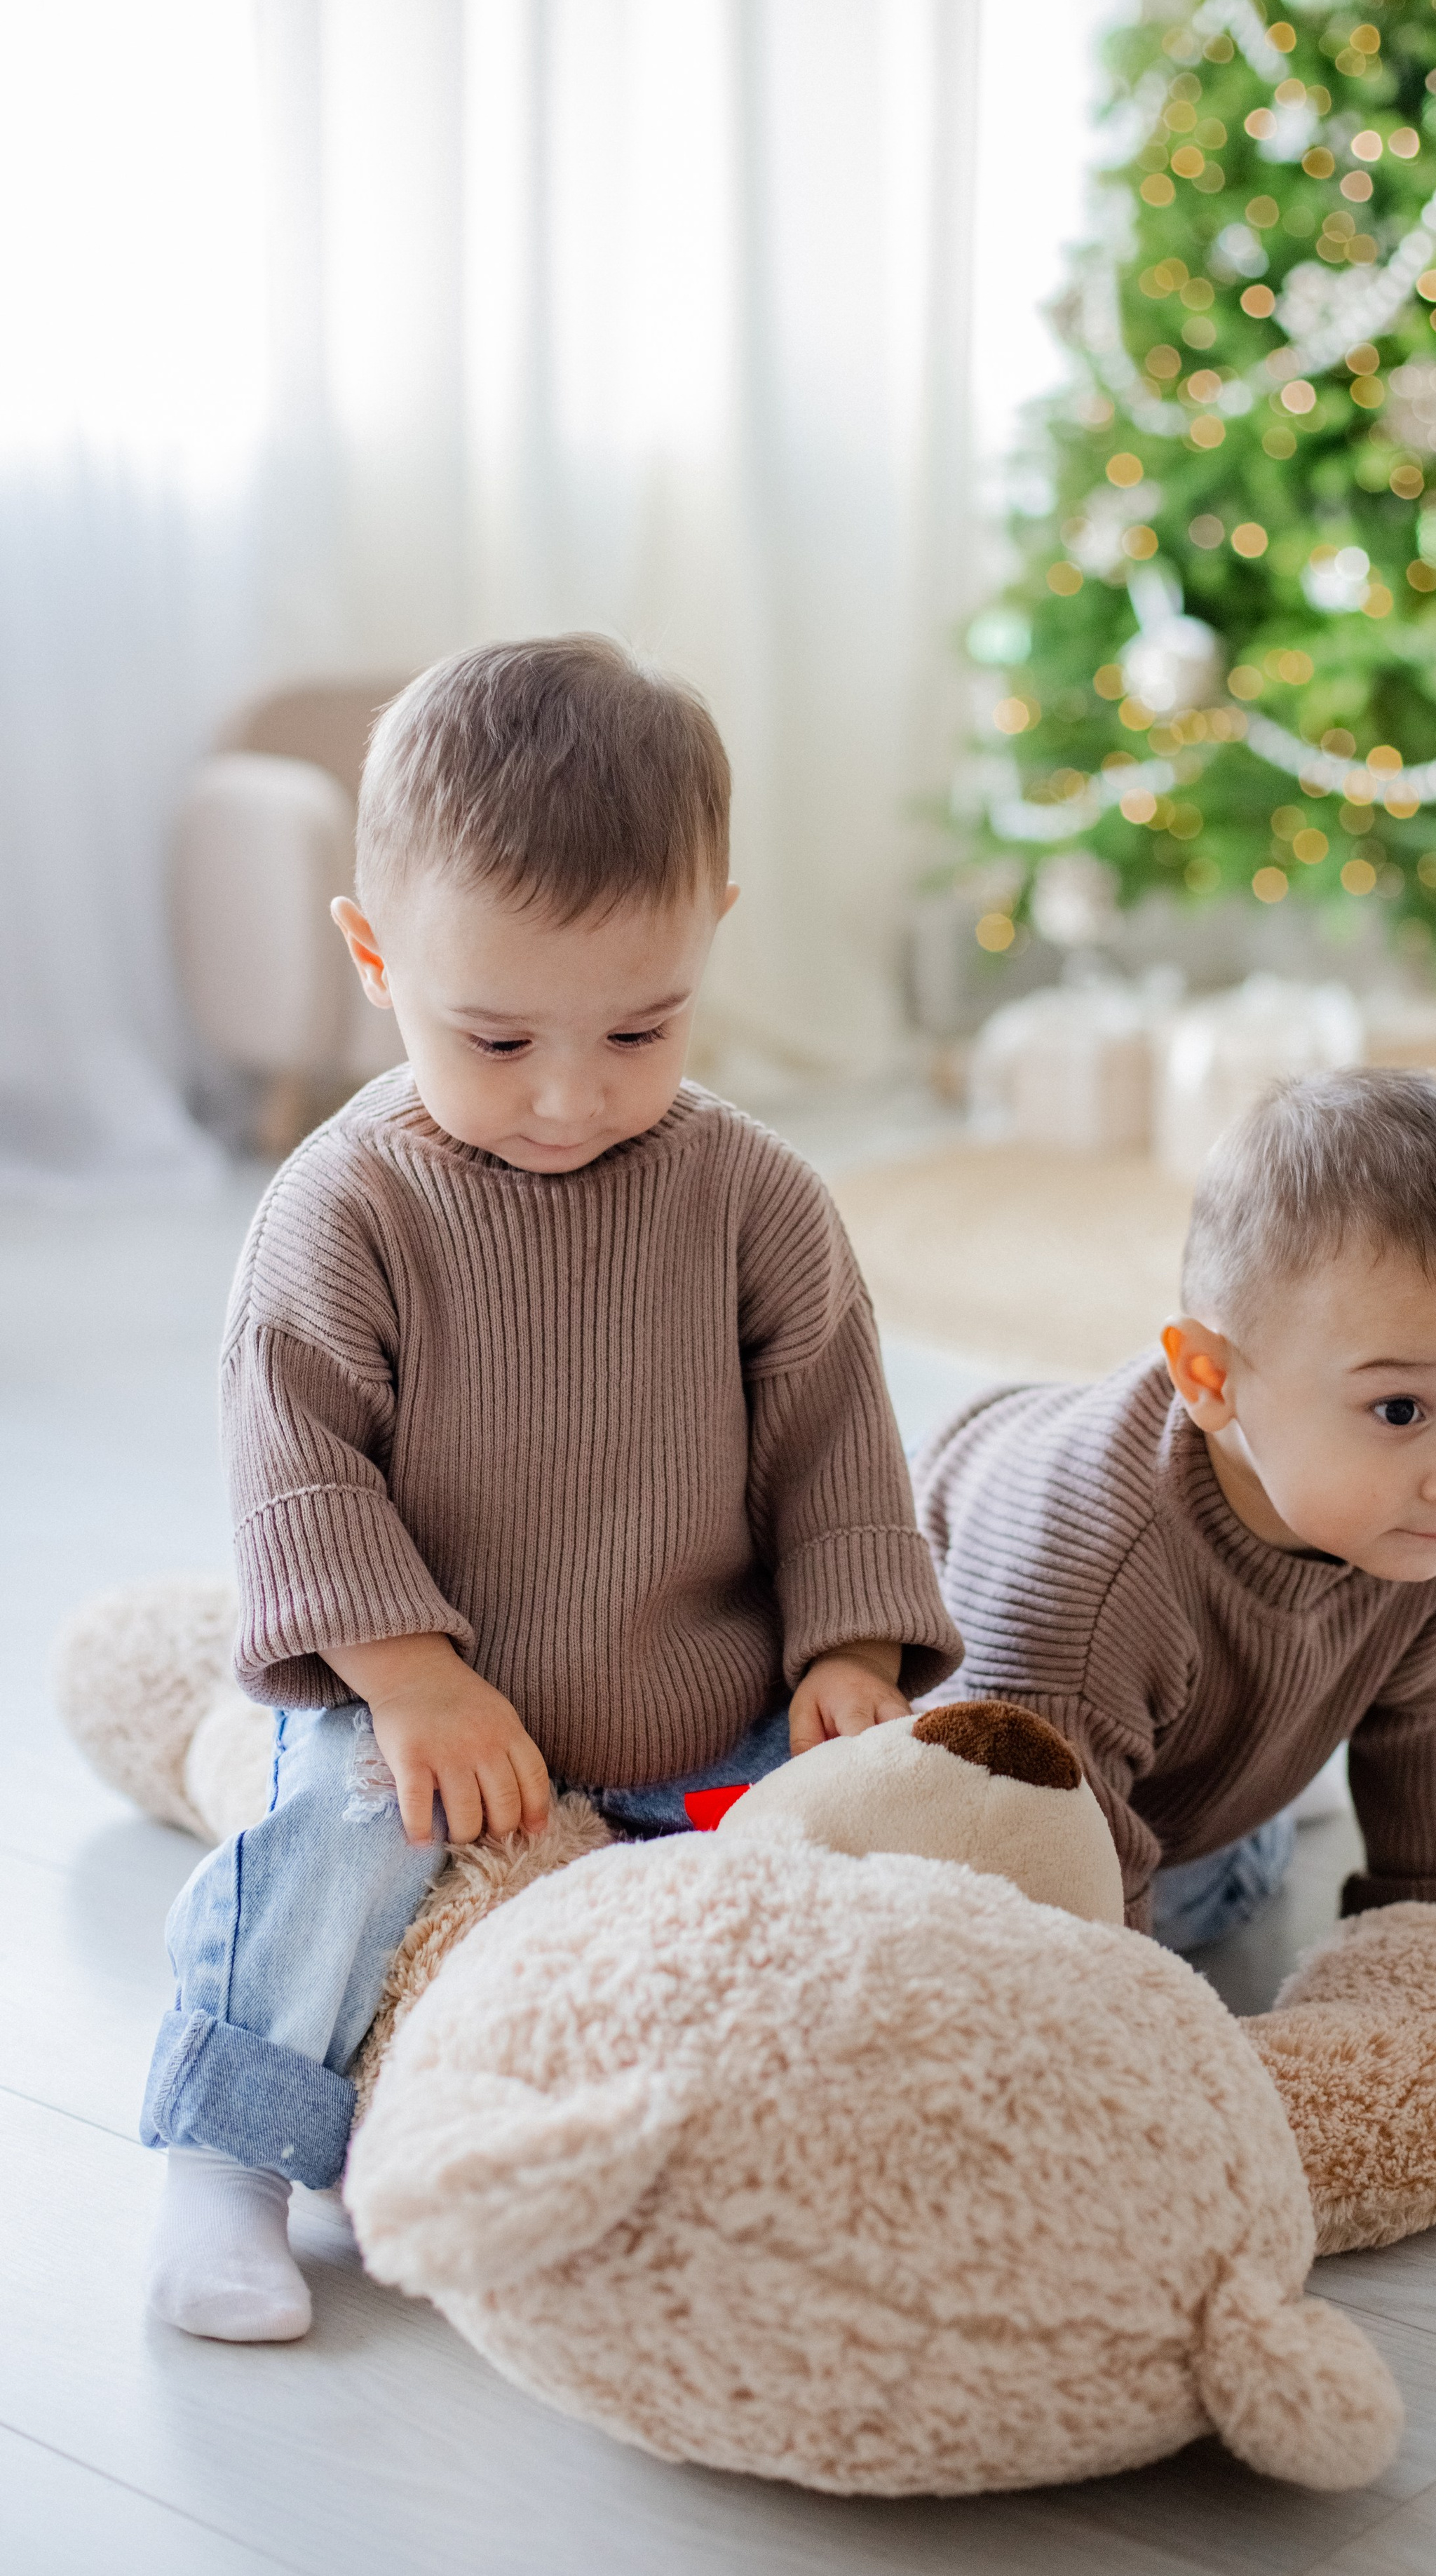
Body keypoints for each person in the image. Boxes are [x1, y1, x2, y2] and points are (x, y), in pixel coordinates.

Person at [142, 635, 960, 2342]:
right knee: (329, 1843)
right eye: (496, 1034)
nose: (571, 1094)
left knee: (853, 1845)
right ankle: (232, 2152)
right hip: (421, 1695)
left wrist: (846, 1654)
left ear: (711, 934)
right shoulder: (344, 1208)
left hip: (691, 1699)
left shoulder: (754, 1198)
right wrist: (413, 1679)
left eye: (639, 1026)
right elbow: (294, 1470)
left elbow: (831, 1441)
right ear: (376, 956)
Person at [914, 1067, 1436, 1950]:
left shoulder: (1433, 1533)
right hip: (955, 1780)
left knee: (1227, 1860)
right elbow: (1045, 1929)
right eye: (1399, 1410)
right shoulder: (1088, 1579)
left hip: (1155, 1772)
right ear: (1210, 1378)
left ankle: (1239, 1781)